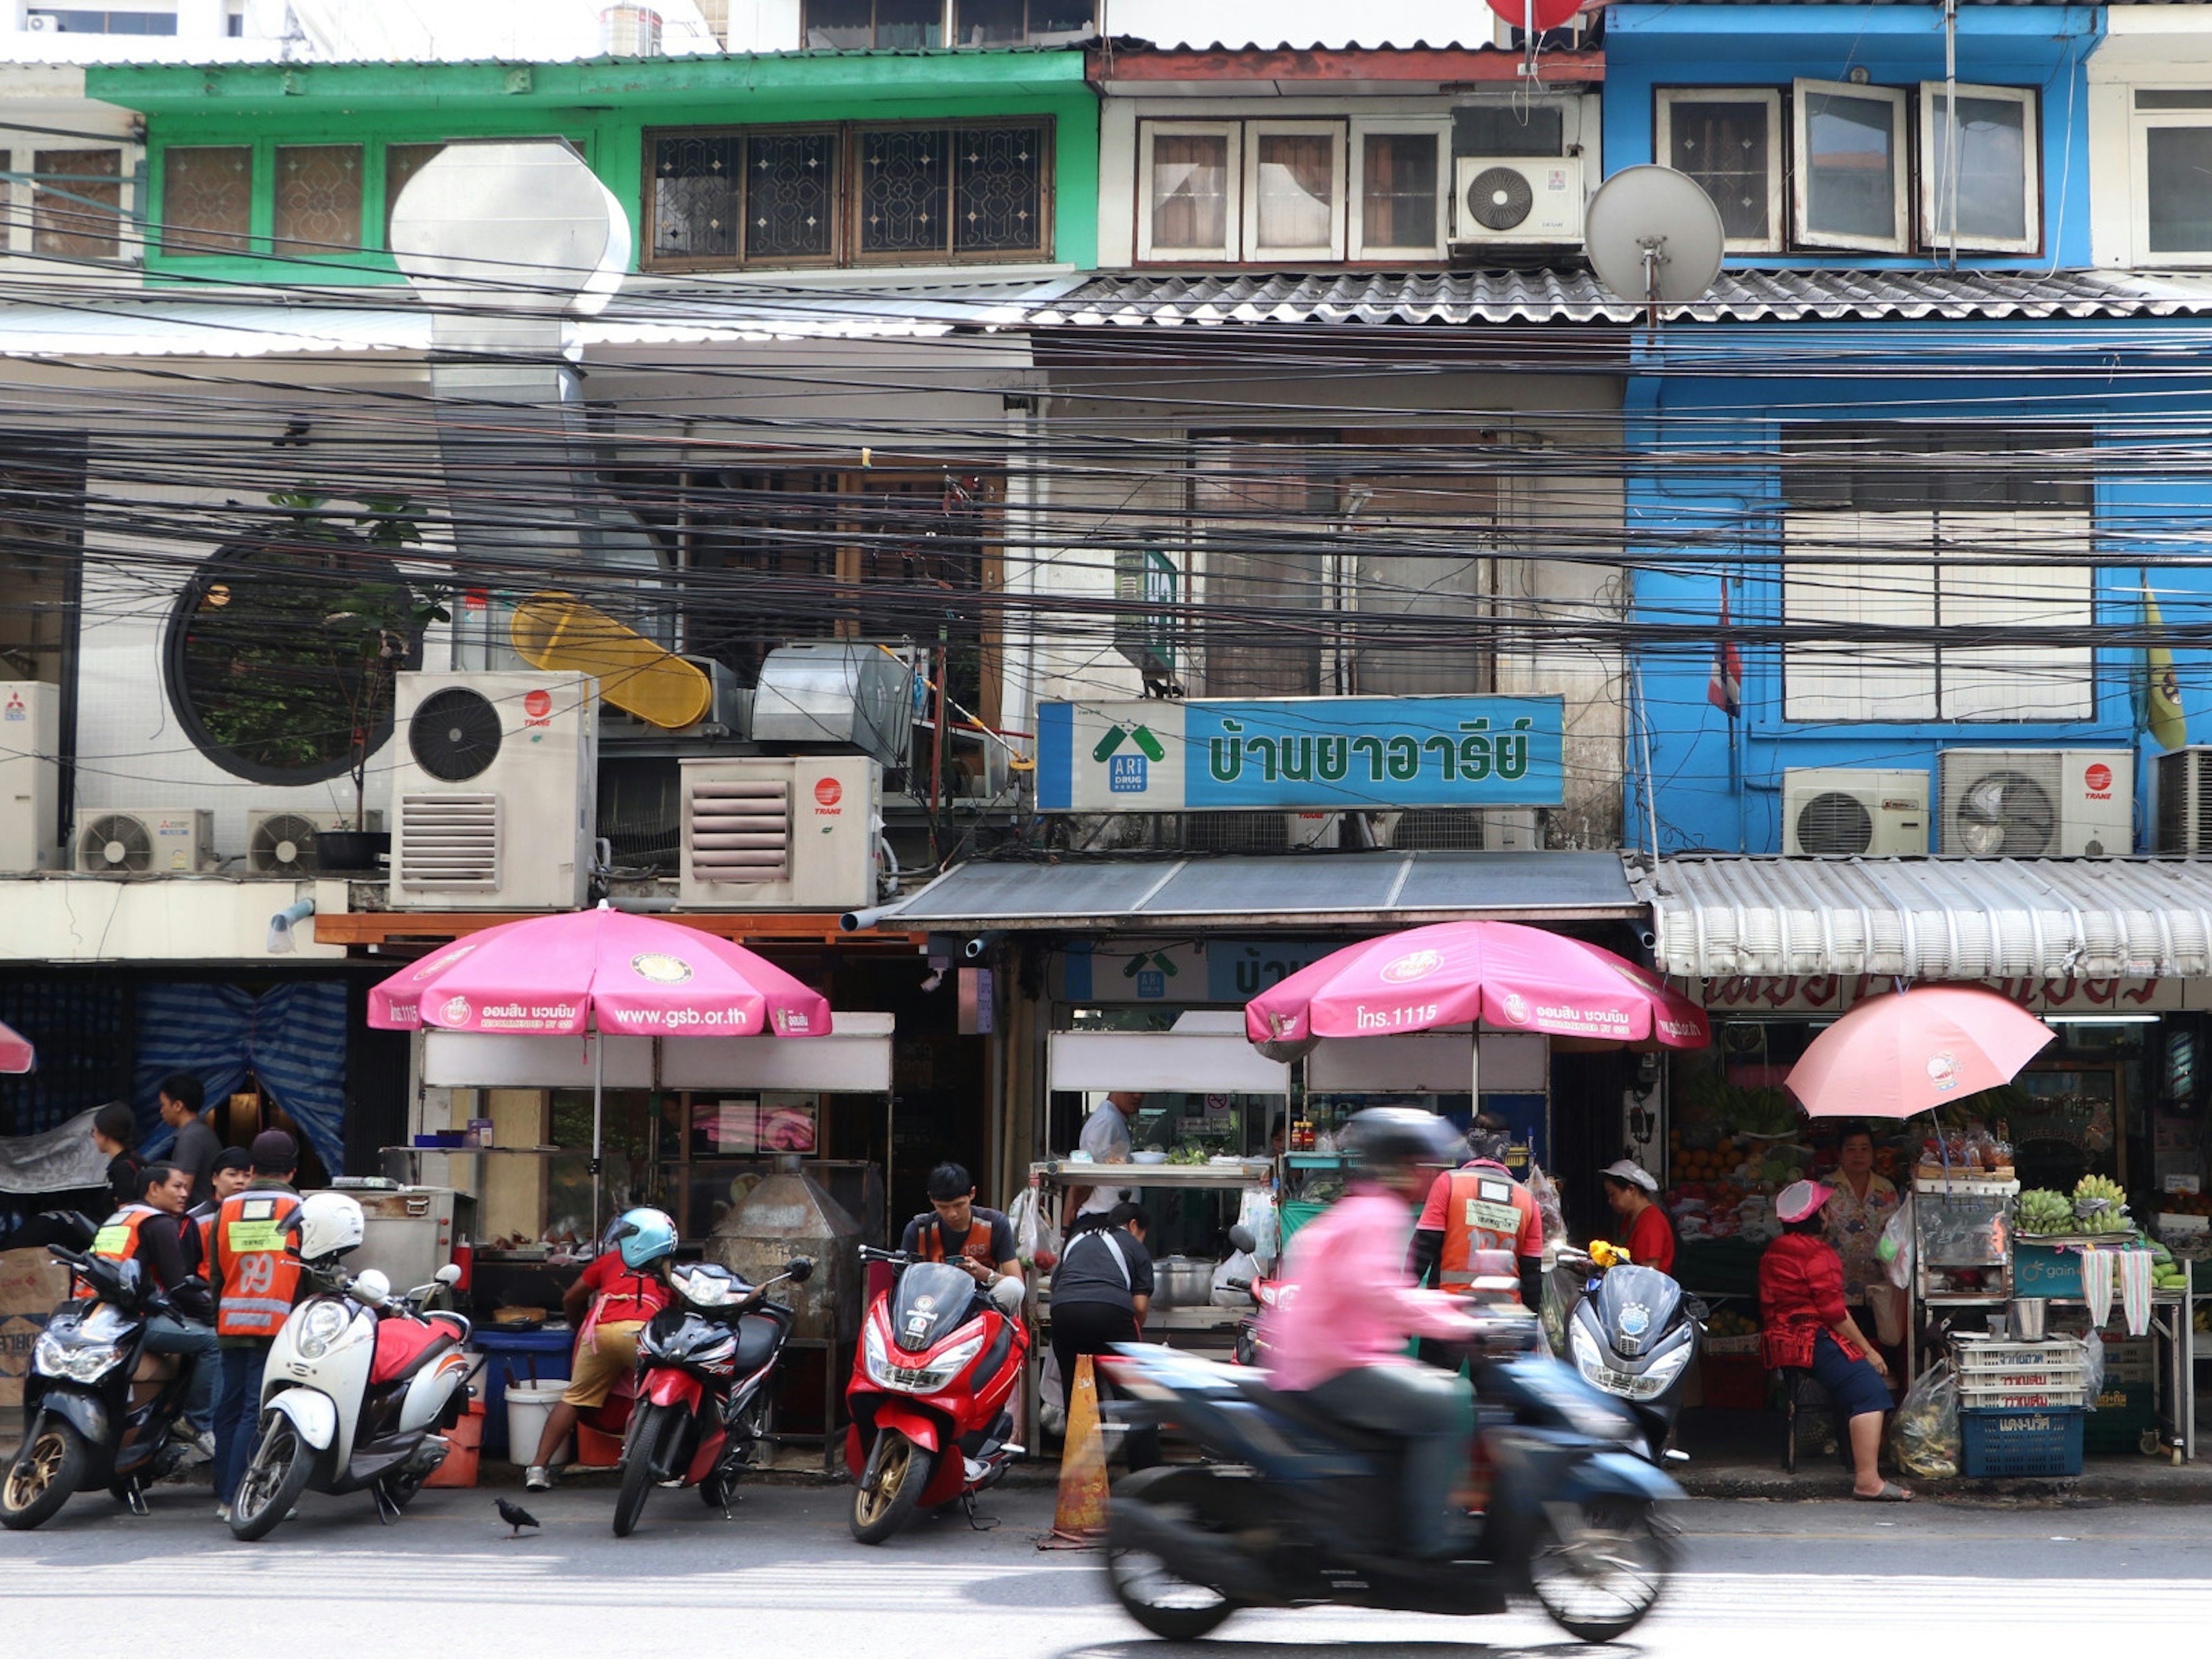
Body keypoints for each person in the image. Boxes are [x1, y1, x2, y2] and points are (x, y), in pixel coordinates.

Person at [1263, 1108, 1480, 1561]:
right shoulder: (1376, 1215)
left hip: (1336, 1356)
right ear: (1399, 1166)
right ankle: (1429, 1540)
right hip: (1335, 1365)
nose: (1427, 1176)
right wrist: (1456, 1322)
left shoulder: (1368, 1209)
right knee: (1448, 1402)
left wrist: (1455, 1308)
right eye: (1421, 1165)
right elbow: (1378, 1295)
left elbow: (1388, 1293)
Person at [1760, 1180, 1909, 1502]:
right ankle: (1868, 1480)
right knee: (1871, 1391)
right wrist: (1869, 1352)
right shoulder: (1819, 1254)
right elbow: (1835, 1314)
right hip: (1808, 1340)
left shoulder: (1775, 1249)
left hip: (1779, 1342)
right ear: (1822, 1217)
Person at [526, 1207, 679, 1493]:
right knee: (666, 1396)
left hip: (601, 1334)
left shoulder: (609, 1261)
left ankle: (537, 1468)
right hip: (643, 1335)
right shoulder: (669, 1269)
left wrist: (577, 1328)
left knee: (574, 1398)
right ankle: (664, 1469)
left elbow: (571, 1297)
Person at [207, 1131, 306, 1520]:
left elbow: (216, 1275)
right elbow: (308, 1274)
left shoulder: (227, 1208)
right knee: (258, 1411)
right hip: (276, 1327)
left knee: (229, 1410)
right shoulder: (299, 1207)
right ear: (293, 1170)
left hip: (231, 1323)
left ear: (251, 1170)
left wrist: (222, 1313)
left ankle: (223, 1495)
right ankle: (241, 1498)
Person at [90, 1161, 219, 1451]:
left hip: (97, 1316)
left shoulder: (120, 1217)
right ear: (154, 1188)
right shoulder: (159, 1223)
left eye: (186, 1187)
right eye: (177, 1186)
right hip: (132, 1322)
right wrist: (216, 1315)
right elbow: (178, 1288)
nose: (185, 1193)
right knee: (213, 1342)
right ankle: (198, 1423)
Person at [1049, 1200, 1158, 1469]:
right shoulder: (1133, 1245)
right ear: (1134, 1226)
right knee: (1134, 1397)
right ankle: (1147, 1474)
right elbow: (1140, 1306)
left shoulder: (1077, 1239)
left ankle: (1085, 1479)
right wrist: (1131, 1337)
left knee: (1079, 1396)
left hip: (1065, 1313)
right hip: (1111, 1312)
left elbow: (1058, 1287)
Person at [1411, 1115, 1544, 1310]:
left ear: (1469, 1144)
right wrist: (1531, 1326)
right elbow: (1532, 1274)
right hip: (1506, 1322)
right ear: (1506, 1146)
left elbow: (1422, 1252)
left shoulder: (1449, 1184)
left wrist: (1399, 1316)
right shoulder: (1527, 1199)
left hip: (1449, 1318)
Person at [899, 1162, 1022, 1305]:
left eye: (959, 1205)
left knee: (1014, 1288)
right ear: (931, 1199)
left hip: (981, 1305)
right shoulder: (917, 1230)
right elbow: (905, 1284)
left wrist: (986, 1275)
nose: (952, 1214)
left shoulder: (995, 1224)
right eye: (943, 1207)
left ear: (972, 1194)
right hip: (931, 1305)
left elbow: (1017, 1281)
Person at [1822, 1123, 1900, 1309]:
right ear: (1840, 1154)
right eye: (1851, 1149)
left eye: (1865, 1149)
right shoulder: (1824, 1189)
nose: (1858, 1155)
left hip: (1879, 1290)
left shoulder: (1887, 1189)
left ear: (1873, 1154)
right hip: (1837, 1291)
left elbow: (1897, 1235)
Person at [1066, 1091, 1144, 1220]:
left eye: (1143, 1092)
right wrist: (1067, 1223)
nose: (1138, 1096)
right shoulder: (1107, 1121)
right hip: (1101, 1219)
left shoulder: (1115, 1119)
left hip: (1113, 1217)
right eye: (1131, 1089)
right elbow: (1085, 1178)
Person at [1601, 1160, 1675, 1275]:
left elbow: (1649, 1272)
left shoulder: (1651, 1220)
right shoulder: (1630, 1219)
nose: (1610, 1201)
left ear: (1631, 1190)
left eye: (1613, 1194)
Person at [159, 1074, 219, 1211]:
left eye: (163, 1105)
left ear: (178, 1106)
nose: (162, 1111)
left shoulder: (190, 1138)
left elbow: (182, 1188)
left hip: (197, 1219)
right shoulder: (201, 1131)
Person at [190, 1147, 253, 1262]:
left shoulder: (259, 1216)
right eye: (232, 1174)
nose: (240, 1181)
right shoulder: (196, 1220)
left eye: (247, 1176)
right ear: (215, 1179)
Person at [92, 1101, 144, 1210]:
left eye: (94, 1131)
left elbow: (127, 1213)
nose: (93, 1136)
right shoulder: (132, 1161)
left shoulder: (123, 1169)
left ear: (105, 1134)